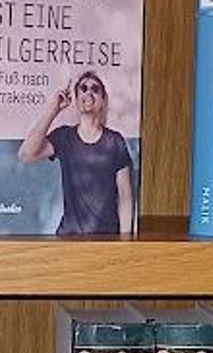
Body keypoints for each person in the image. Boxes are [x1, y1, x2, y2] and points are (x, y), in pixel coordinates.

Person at [17, 70, 135, 235]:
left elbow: (125, 196)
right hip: (69, 238)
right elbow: (25, 155)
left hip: (107, 239)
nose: (89, 92)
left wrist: (125, 241)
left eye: (95, 89)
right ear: (77, 100)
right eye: (83, 88)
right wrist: (53, 110)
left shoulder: (115, 141)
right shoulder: (64, 137)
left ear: (102, 100)